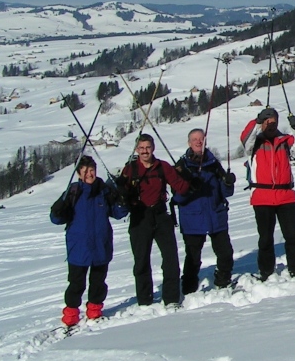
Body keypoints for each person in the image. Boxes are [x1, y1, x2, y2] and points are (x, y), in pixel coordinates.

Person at [50, 155, 128, 326]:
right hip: (79, 246)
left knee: (98, 282)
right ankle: (71, 314)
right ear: (78, 173)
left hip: (101, 244)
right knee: (76, 283)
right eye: (85, 171)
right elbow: (56, 219)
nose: (89, 174)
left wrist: (122, 201)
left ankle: (94, 310)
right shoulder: (73, 192)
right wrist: (57, 210)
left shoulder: (104, 191)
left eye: (91, 170)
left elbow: (118, 213)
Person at [118, 134, 191, 307]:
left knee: (170, 257)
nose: (145, 151)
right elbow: (120, 194)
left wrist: (187, 176)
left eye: (148, 147)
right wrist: (121, 188)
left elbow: (181, 187)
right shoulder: (130, 169)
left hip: (160, 215)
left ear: (153, 148)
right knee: (141, 260)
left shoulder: (162, 166)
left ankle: (171, 298)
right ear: (137, 149)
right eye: (142, 148)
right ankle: (145, 300)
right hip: (139, 216)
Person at [240, 107, 295, 280]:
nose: (270, 125)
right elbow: (245, 138)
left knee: (292, 236)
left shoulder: (285, 141)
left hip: (285, 195)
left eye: (273, 122)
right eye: (267, 122)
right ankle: (266, 271)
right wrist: (256, 122)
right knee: (265, 239)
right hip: (262, 197)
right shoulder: (254, 144)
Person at [172, 128, 236, 293]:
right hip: (192, 219)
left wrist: (228, 183)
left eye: (201, 138)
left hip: (216, 215)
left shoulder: (214, 163)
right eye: (194, 139)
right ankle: (188, 289)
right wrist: (189, 188)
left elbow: (226, 192)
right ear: (189, 143)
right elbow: (177, 198)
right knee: (193, 258)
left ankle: (223, 281)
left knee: (226, 253)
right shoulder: (181, 166)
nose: (198, 142)